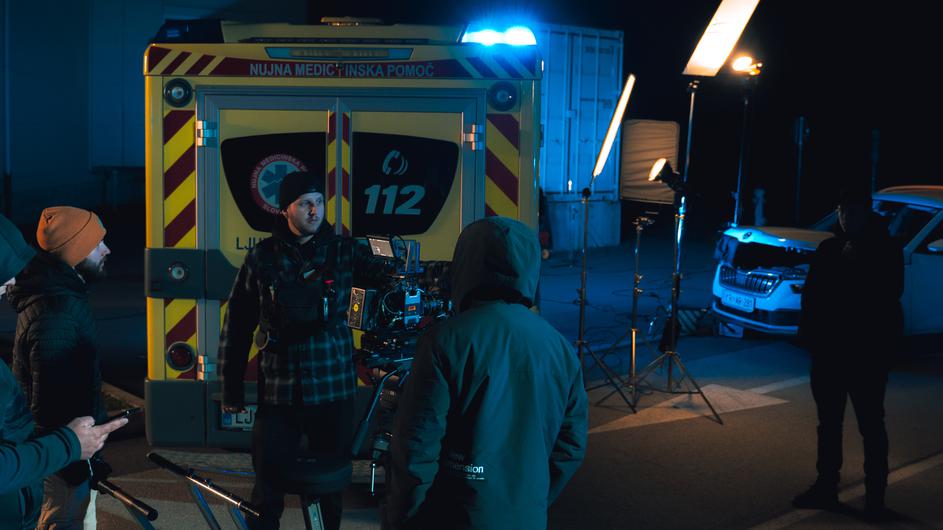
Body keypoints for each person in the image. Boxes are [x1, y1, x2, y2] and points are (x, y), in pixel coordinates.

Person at [386, 216, 589, 530]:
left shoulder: (445, 340)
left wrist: (402, 519)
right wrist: (531, 498)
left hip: (454, 516)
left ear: (466, 265)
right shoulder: (559, 348)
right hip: (527, 517)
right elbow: (570, 446)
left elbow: (416, 448)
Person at [219, 170, 392, 530]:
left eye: (319, 202)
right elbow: (237, 324)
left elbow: (392, 279)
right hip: (279, 393)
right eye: (304, 204)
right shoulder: (262, 257)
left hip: (333, 393)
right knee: (267, 488)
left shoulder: (345, 252)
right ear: (285, 209)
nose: (314, 211)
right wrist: (230, 388)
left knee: (329, 489)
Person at [1, 213, 125, 529]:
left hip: (64, 451)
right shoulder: (56, 312)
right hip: (63, 460)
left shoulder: (62, 300)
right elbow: (49, 400)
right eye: (97, 243)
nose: (107, 249)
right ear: (75, 250)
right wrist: (71, 457)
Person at [794, 185, 903, 520]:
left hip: (866, 354)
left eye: (852, 211)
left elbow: (888, 296)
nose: (845, 217)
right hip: (829, 352)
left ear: (866, 213)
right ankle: (826, 486)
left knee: (870, 425)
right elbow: (811, 297)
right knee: (829, 424)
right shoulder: (829, 248)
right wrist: (811, 340)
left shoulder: (886, 249)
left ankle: (875, 499)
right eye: (842, 210)